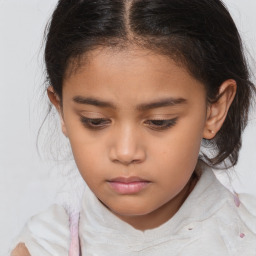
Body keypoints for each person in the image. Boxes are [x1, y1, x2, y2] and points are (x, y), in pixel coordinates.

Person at [10, 0, 256, 255]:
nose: (126, 152)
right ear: (61, 111)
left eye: (160, 121)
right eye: (95, 120)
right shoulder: (41, 247)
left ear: (214, 110)